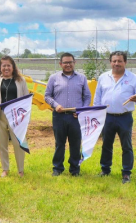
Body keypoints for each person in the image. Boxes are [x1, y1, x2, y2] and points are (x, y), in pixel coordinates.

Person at [45, 52, 91, 177]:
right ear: (61, 64)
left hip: (75, 116)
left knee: (75, 144)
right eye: (65, 62)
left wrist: (81, 110)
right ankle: (58, 168)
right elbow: (47, 96)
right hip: (59, 116)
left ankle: (75, 169)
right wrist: (55, 105)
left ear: (74, 63)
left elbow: (87, 97)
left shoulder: (82, 78)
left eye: (70, 62)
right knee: (59, 143)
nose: (68, 65)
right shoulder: (54, 78)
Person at [94, 51, 136, 184]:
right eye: (114, 61)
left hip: (125, 117)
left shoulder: (133, 78)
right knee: (106, 144)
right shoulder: (103, 77)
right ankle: (105, 169)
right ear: (110, 62)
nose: (116, 63)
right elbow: (97, 98)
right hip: (107, 117)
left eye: (119, 61)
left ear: (125, 62)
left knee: (126, 145)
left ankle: (126, 173)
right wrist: (96, 114)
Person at [0, 56, 29, 178]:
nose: (6, 68)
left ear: (13, 67)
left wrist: (24, 116)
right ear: (0, 67)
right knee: (2, 144)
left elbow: (26, 99)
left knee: (18, 143)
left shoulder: (21, 81)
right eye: (3, 65)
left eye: (8, 65)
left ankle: (20, 170)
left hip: (16, 117)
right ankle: (5, 169)